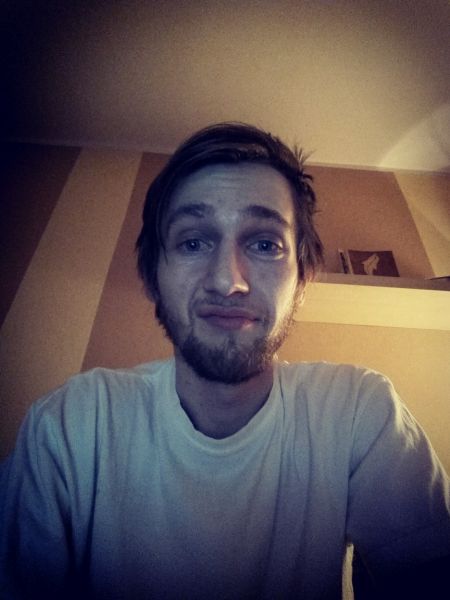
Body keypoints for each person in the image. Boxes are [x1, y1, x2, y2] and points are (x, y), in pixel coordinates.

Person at [1, 123, 449, 600]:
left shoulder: (359, 410)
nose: (227, 282)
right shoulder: (69, 425)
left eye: (265, 244)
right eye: (193, 242)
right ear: (153, 277)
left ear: (302, 280)